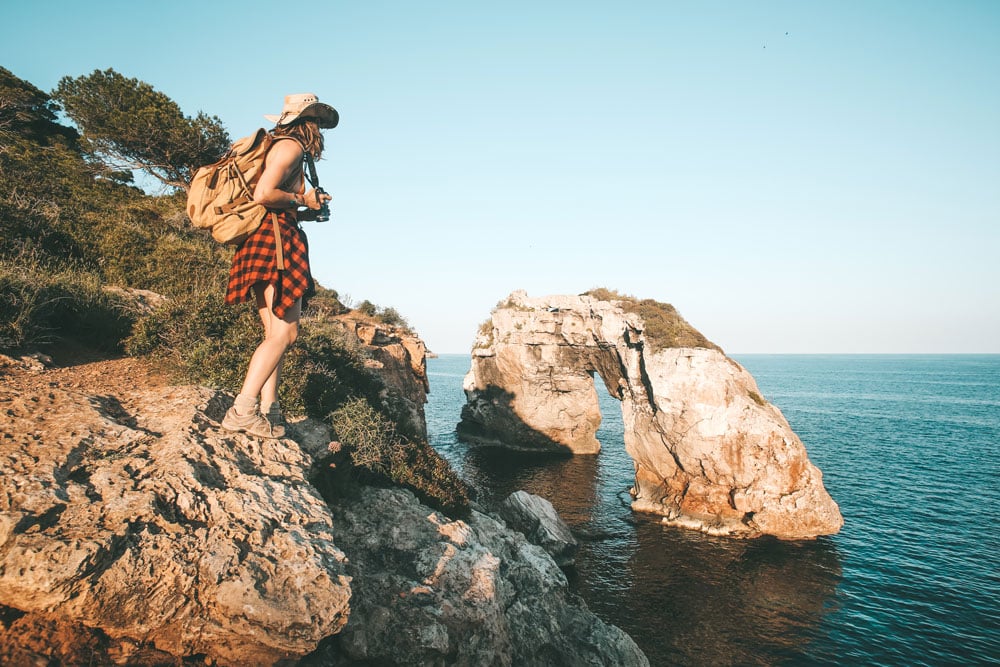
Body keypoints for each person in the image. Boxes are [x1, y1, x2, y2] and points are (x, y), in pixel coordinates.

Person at [221, 93, 337, 438]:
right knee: (286, 333)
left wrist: (305, 211)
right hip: (274, 245)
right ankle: (242, 410)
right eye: (316, 122)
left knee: (276, 335)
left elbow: (274, 202)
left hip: (268, 238)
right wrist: (305, 198)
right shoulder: (290, 148)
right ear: (306, 124)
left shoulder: (279, 146)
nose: (320, 131)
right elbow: (264, 194)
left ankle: (270, 410)